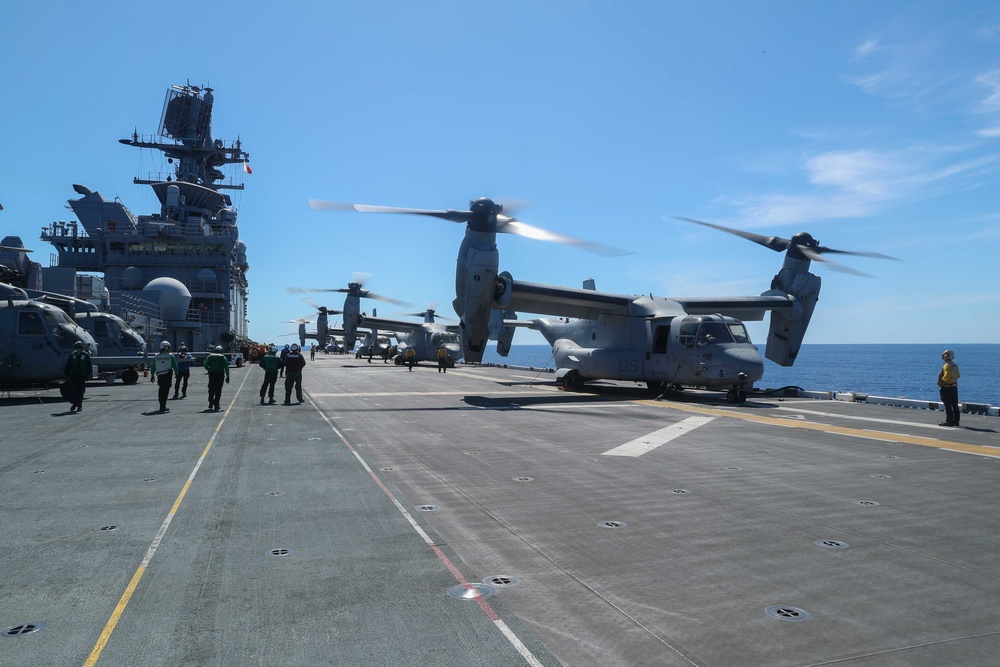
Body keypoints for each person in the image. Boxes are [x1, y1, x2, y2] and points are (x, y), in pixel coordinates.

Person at [64, 340, 92, 412]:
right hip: (73, 375)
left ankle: (79, 405)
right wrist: (66, 374)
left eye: (79, 348)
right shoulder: (72, 354)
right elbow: (68, 365)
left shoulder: (85, 355)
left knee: (80, 390)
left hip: (82, 375)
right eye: (76, 348)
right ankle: (74, 403)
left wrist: (88, 374)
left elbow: (89, 365)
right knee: (73, 390)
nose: (78, 349)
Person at [150, 341, 178, 412]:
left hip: (160, 375)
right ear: (165, 347)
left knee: (161, 390)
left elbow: (153, 366)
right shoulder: (170, 356)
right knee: (166, 390)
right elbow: (174, 365)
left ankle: (161, 405)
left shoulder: (156, 356)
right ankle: (163, 405)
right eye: (168, 347)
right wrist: (176, 373)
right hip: (167, 374)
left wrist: (152, 375)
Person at [937, 349, 961, 427]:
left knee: (947, 404)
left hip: (947, 387)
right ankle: (956, 421)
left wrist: (943, 380)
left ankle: (949, 421)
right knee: (955, 404)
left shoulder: (946, 366)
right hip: (954, 387)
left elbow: (946, 376)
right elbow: (958, 375)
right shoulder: (955, 365)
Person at [204, 345, 230, 411]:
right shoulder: (223, 357)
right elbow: (226, 367)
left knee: (211, 389)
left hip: (212, 374)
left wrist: (209, 369)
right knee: (218, 390)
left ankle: (211, 401)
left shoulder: (210, 357)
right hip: (220, 375)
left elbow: (205, 365)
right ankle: (216, 404)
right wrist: (228, 376)